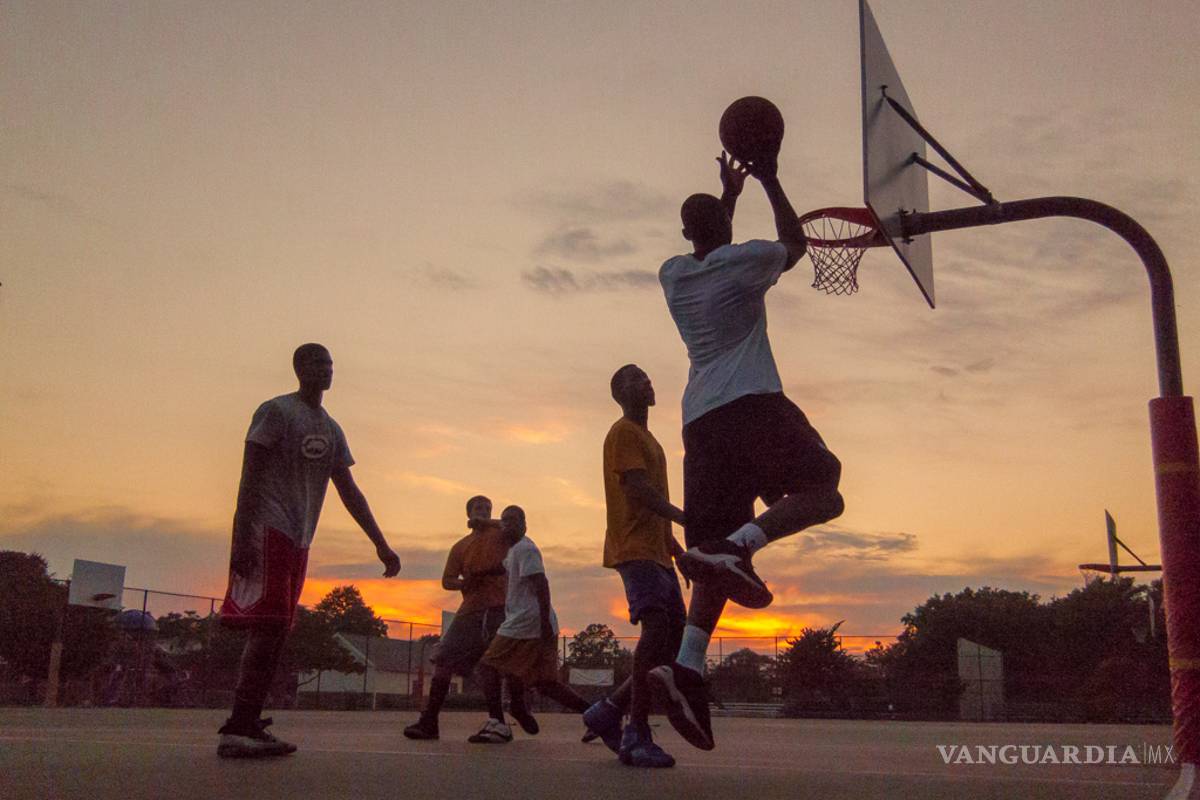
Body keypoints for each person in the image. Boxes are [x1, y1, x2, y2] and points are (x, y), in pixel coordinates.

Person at [650, 152, 844, 751]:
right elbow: (794, 243)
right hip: (752, 403)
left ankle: (686, 665)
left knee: (707, 559)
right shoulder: (748, 260)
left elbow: (714, 241)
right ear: (726, 230)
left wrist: (724, 199)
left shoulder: (673, 274)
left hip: (700, 424)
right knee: (824, 490)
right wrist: (768, 175)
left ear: (686, 232)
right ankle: (742, 546)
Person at [217, 343, 401, 758]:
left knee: (278, 630)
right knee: (266, 629)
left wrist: (381, 544)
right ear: (299, 368)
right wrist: (241, 538)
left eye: (331, 363)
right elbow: (248, 478)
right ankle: (238, 727)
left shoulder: (331, 429)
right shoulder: (276, 412)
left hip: (300, 538)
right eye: (319, 362)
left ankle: (248, 723)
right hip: (268, 529)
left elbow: (349, 490)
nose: (327, 369)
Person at [580, 364, 687, 768]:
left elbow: (652, 499)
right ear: (620, 393)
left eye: (647, 376)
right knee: (657, 629)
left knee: (672, 641)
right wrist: (682, 516)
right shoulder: (623, 432)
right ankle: (636, 732)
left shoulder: (651, 440)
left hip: (657, 550)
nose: (647, 381)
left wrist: (676, 549)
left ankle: (607, 711)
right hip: (635, 547)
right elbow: (637, 489)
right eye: (636, 378)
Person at [404, 495, 536, 740]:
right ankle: (429, 720)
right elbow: (447, 581)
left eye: (487, 508)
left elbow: (516, 527)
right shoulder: (460, 546)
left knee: (499, 664)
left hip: (501, 607)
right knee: (444, 660)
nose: (483, 511)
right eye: (478, 508)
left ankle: (509, 713)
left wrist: (488, 523)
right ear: (468, 513)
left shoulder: (501, 534)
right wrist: (465, 582)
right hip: (470, 609)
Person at [468, 505, 591, 744]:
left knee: (486, 667)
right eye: (504, 521)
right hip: (537, 622)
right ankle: (598, 716)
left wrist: (543, 622)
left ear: (525, 524)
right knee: (545, 683)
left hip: (526, 622)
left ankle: (498, 724)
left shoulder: (526, 549)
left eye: (514, 520)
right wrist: (479, 572)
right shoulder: (515, 551)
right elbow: (501, 567)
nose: (507, 524)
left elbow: (541, 584)